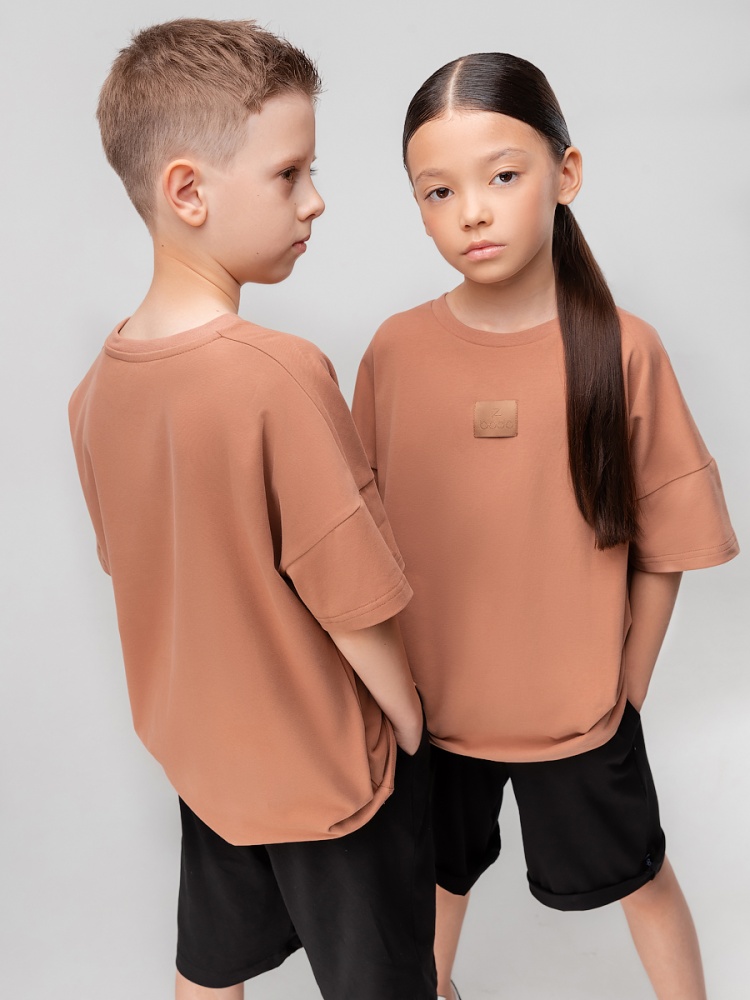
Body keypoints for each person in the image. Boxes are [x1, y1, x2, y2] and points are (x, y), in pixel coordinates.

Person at [352, 52, 739, 1000]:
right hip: (434, 717)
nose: (471, 213)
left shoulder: (624, 348)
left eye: (501, 176)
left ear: (566, 174)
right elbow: (359, 543)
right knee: (428, 897)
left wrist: (625, 691)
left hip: (581, 717)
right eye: (438, 191)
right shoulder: (396, 351)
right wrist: (395, 703)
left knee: (641, 878)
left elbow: (669, 544)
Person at [69, 19, 436, 1000]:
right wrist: (409, 720)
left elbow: (145, 568)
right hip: (329, 775)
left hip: (208, 767)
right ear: (188, 191)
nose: (316, 200)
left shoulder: (95, 392)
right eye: (289, 174)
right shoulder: (278, 373)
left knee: (209, 969)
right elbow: (352, 596)